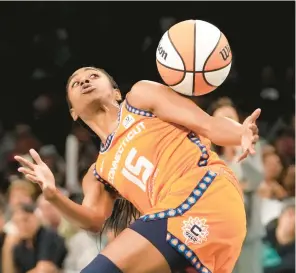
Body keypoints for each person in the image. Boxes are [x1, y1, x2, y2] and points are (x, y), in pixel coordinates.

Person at [15, 67, 261, 273]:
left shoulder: (140, 99)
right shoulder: (97, 172)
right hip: (194, 229)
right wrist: (53, 196)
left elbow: (207, 124)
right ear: (73, 113)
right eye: (76, 83)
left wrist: (241, 133)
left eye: (93, 76)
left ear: (117, 92)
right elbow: (93, 220)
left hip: (206, 192)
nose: (85, 81)